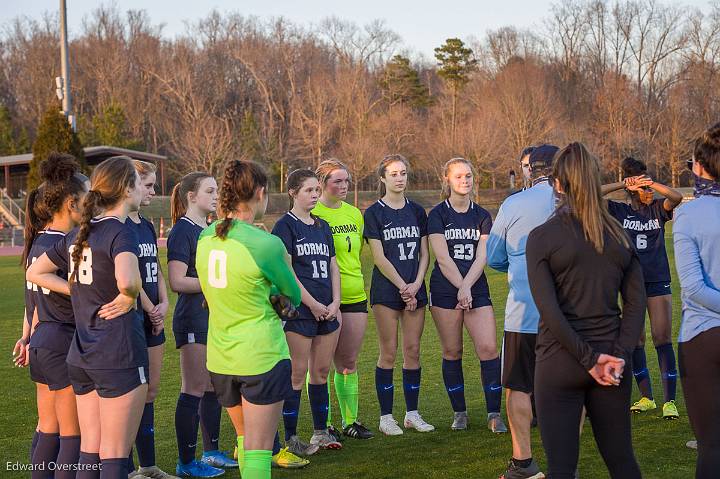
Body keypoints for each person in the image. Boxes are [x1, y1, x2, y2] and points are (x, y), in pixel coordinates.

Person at [526, 142, 646, 478]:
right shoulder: (619, 234)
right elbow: (637, 305)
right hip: (610, 361)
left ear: (558, 185)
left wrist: (594, 358)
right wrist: (617, 355)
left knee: (562, 469)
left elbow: (548, 311)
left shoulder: (541, 237)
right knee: (622, 462)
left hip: (561, 362)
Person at [27, 155, 150, 479]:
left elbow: (35, 270)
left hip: (81, 355)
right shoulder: (121, 232)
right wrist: (128, 294)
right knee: (112, 455)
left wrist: (79, 290)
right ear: (126, 189)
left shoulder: (82, 232)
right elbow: (127, 280)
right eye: (138, 182)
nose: (142, 188)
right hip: (117, 353)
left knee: (90, 450)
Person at [196, 160, 302, 479]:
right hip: (260, 356)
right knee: (259, 448)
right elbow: (293, 296)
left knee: (245, 441)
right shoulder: (265, 243)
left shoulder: (205, 236)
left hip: (220, 356)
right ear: (260, 193)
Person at [487, 144, 558, 479]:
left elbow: (495, 256)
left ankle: (523, 463)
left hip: (525, 312)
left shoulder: (514, 203)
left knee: (517, 385)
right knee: (568, 386)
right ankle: (563, 461)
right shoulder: (576, 203)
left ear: (531, 170)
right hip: (570, 313)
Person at [428, 157, 507, 433]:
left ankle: (494, 413)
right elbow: (441, 257)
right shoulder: (438, 214)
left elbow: (482, 254)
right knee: (452, 351)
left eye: (469, 176)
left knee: (488, 348)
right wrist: (460, 287)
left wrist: (467, 287)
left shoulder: (482, 215)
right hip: (444, 288)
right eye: (459, 176)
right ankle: (459, 412)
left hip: (476, 287)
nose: (465, 181)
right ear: (447, 180)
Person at [21, 154, 88, 478]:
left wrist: (26, 337)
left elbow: (31, 303)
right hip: (62, 340)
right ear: (71, 203)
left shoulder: (37, 243)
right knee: (72, 434)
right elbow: (73, 290)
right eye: (87, 197)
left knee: (48, 427)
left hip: (42, 340)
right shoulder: (65, 245)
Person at [603, 157, 683, 419]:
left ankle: (669, 401)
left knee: (662, 338)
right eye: (643, 187)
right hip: (630, 283)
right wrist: (623, 184)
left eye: (648, 186)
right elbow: (590, 196)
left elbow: (676, 197)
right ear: (631, 189)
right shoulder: (619, 211)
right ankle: (646, 397)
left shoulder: (659, 209)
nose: (648, 192)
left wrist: (652, 184)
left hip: (658, 280)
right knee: (636, 341)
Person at [167, 172, 234, 477]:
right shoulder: (183, 231)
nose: (216, 195)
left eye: (217, 190)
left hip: (213, 317)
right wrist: (216, 283)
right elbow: (177, 281)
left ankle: (211, 453)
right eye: (210, 191)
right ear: (191, 196)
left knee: (212, 386)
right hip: (192, 318)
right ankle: (185, 462)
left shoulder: (209, 229)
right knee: (193, 388)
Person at [271, 169, 343, 452]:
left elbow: (333, 266)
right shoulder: (284, 226)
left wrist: (335, 302)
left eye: (316, 190)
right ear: (293, 192)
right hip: (301, 310)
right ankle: (290, 438)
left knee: (321, 372)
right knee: (297, 373)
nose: (314, 195)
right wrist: (311, 304)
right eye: (308, 191)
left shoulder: (322, 226)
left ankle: (320, 432)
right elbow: (287, 271)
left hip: (328, 308)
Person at [363, 154, 434, 436]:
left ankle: (412, 414)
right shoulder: (374, 213)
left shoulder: (417, 211)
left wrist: (416, 283)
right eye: (393, 173)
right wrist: (403, 286)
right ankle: (386, 416)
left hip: (415, 287)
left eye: (403, 172)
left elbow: (425, 252)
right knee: (388, 352)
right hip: (387, 289)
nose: (399, 177)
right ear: (382, 178)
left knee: (413, 351)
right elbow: (378, 257)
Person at [311, 159, 374, 439]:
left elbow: (355, 253)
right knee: (321, 366)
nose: (343, 185)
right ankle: (323, 424)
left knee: (348, 362)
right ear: (322, 183)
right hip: (324, 300)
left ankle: (351, 421)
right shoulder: (313, 213)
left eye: (346, 180)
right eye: (337, 181)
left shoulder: (354, 214)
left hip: (355, 295)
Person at [673, 123, 720, 479]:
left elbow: (692, 287)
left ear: (700, 166)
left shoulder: (688, 212)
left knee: (710, 447)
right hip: (704, 335)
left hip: (703, 336)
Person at [126, 161, 175, 479]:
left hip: (154, 315)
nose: (154, 191)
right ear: (130, 185)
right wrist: (148, 305)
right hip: (133, 318)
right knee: (131, 394)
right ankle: (124, 466)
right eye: (149, 185)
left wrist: (165, 301)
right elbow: (128, 277)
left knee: (152, 390)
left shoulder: (144, 225)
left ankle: (148, 466)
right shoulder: (118, 226)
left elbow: (153, 269)